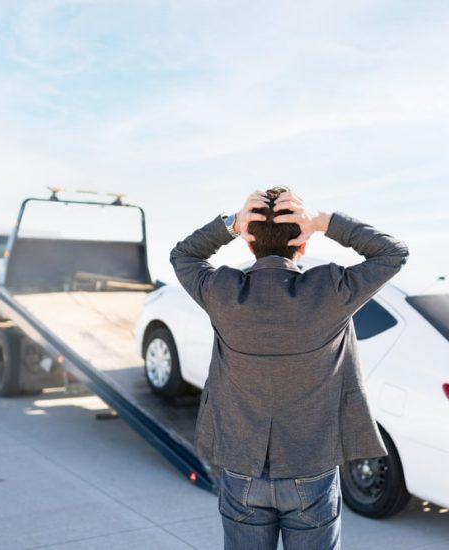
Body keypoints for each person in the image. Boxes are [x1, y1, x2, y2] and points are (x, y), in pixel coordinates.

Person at [170, 187, 409, 549]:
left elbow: (183, 255)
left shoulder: (222, 291)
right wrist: (322, 222)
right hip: (311, 468)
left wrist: (231, 224)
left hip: (242, 468)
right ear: (302, 243)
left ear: (250, 244)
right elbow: (393, 252)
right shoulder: (331, 289)